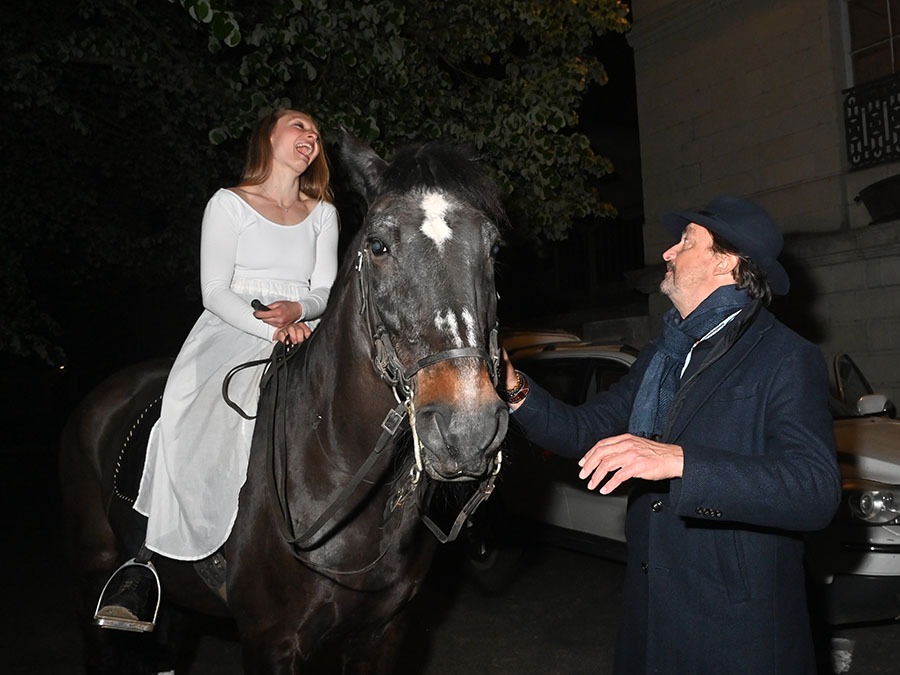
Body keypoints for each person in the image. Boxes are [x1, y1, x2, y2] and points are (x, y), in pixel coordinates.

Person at [501, 196, 841, 673]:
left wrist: (678, 461)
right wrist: (510, 385)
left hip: (735, 629)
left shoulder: (785, 356)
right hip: (651, 609)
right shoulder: (663, 354)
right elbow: (582, 430)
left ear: (727, 258)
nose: (667, 253)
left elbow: (814, 489)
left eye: (686, 241)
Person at [94, 108, 340, 631]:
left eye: (315, 131)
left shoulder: (323, 212)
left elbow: (322, 290)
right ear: (268, 138)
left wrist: (300, 312)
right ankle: (148, 560)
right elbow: (214, 290)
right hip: (236, 328)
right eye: (298, 125)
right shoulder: (230, 205)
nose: (310, 134)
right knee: (189, 414)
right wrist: (269, 327)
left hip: (304, 329)